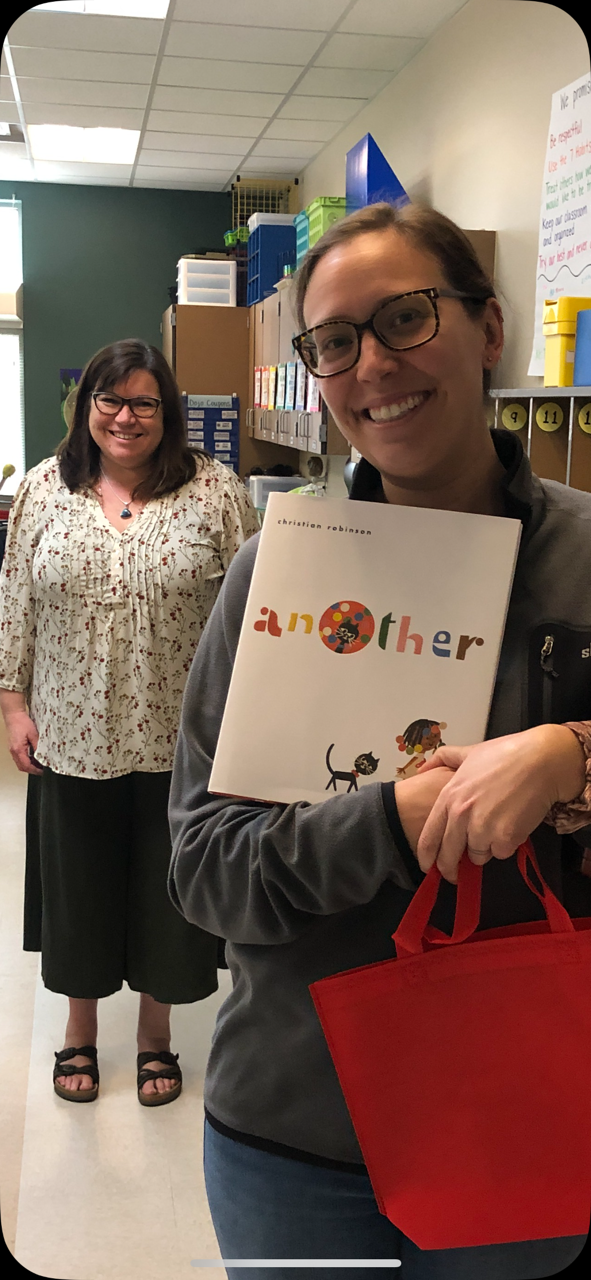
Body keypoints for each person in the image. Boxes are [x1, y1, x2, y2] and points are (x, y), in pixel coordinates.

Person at [167, 203, 591, 1275]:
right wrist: (386, 824)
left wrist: (573, 753)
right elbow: (204, 868)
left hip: (529, 1113)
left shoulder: (586, 558)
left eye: (406, 317)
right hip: (296, 1129)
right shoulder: (277, 574)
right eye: (336, 342)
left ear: (490, 328)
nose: (373, 366)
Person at [0, 338, 259, 1106]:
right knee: (78, 890)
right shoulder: (46, 490)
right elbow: (16, 599)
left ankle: (155, 1038)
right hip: (70, 733)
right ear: (86, 410)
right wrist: (13, 703)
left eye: (144, 402)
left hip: (181, 740)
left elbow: (252, 610)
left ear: (167, 413)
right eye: (109, 400)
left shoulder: (215, 492)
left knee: (168, 893)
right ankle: (78, 1032)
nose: (125, 417)